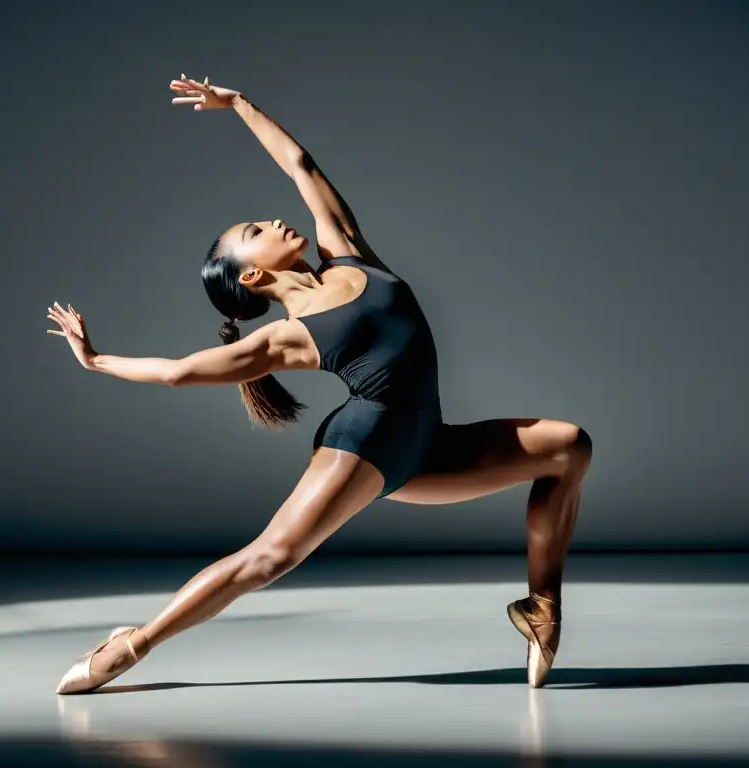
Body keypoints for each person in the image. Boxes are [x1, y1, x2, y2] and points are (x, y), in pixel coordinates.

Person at [47, 74, 593, 695]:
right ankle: (133, 644)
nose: (274, 221)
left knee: (569, 448)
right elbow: (177, 373)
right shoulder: (288, 337)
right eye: (256, 231)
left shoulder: (349, 252)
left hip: (429, 446)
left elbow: (299, 164)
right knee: (270, 559)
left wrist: (239, 106)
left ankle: (542, 610)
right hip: (366, 443)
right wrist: (95, 361)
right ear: (252, 276)